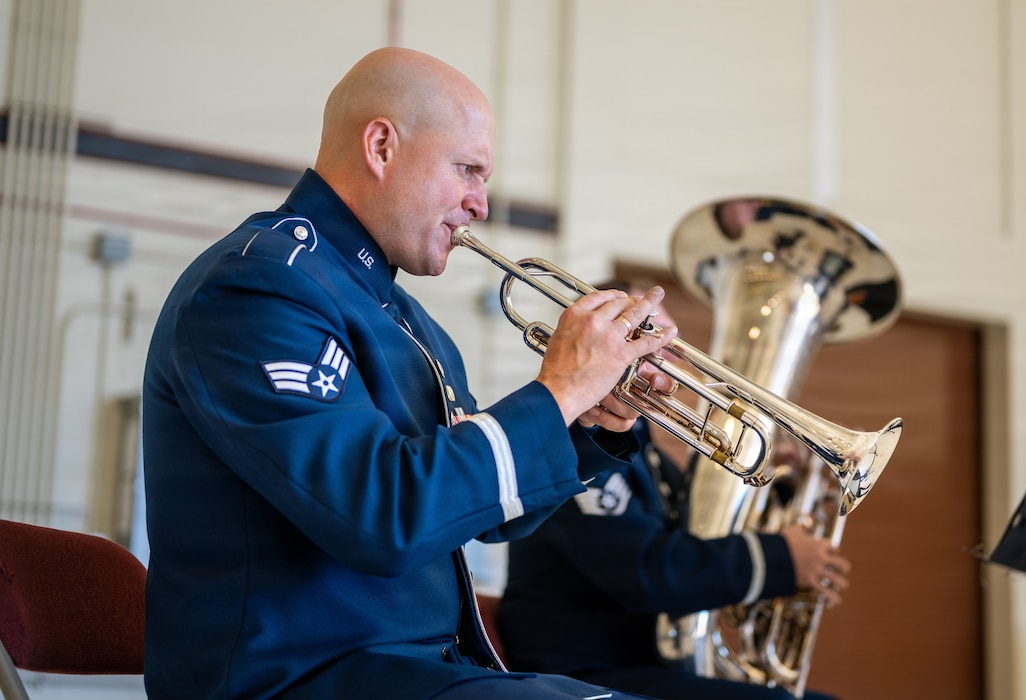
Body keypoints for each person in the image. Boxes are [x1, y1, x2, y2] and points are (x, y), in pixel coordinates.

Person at [141, 47, 680, 700]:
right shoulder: (257, 288)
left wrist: (587, 415)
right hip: (293, 679)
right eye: (467, 170)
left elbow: (480, 511)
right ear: (381, 146)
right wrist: (558, 389)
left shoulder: (405, 319)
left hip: (413, 673)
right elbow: (381, 518)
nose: (480, 204)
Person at [499, 280, 848, 700]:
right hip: (578, 672)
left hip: (639, 664)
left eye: (672, 341)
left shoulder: (645, 450)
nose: (672, 356)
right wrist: (779, 557)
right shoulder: (576, 443)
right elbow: (648, 573)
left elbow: (692, 541)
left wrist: (772, 489)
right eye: (649, 334)